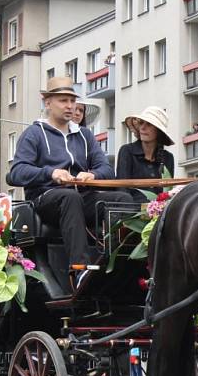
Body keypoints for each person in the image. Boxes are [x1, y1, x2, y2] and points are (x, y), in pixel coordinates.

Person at [8, 76, 130, 292]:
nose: (70, 106)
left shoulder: (84, 136)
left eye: (72, 101)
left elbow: (107, 169)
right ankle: (80, 268)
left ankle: (118, 264)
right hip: (45, 198)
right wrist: (51, 173)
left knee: (123, 199)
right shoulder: (34, 134)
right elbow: (16, 172)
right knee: (69, 197)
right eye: (63, 101)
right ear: (48, 102)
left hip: (80, 196)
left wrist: (92, 175)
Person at [117, 106, 176, 201]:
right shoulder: (127, 151)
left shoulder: (168, 158)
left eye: (149, 124)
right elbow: (122, 189)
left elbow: (167, 191)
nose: (143, 128)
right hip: (130, 210)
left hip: (159, 212)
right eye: (141, 123)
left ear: (159, 131)